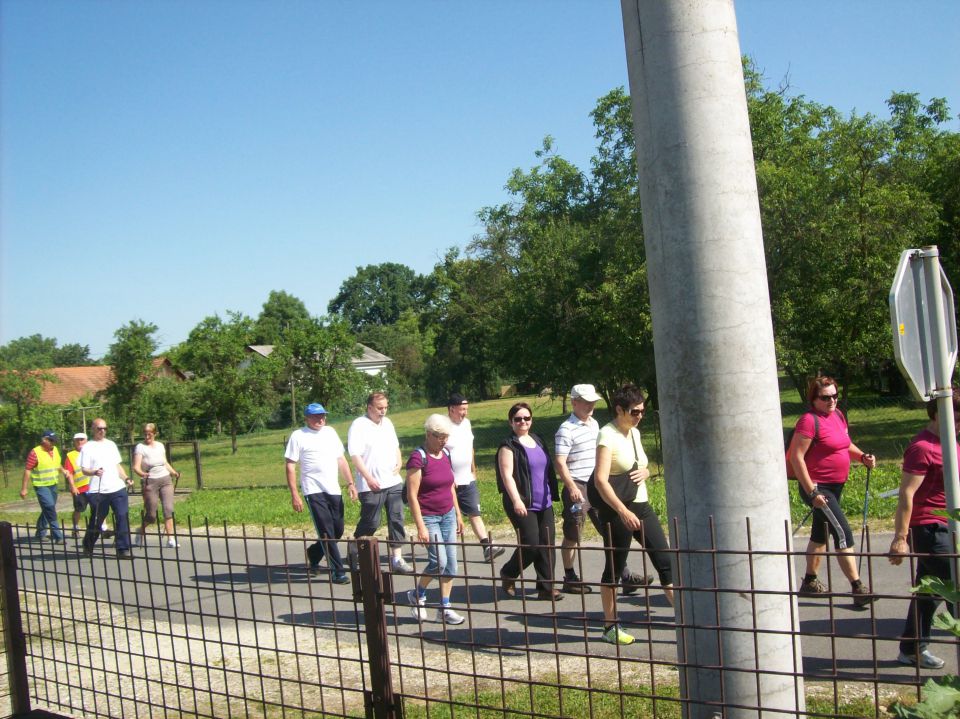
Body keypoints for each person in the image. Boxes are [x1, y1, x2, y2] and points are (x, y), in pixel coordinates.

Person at [589, 385, 673, 645]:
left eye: (642, 411)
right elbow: (601, 481)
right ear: (619, 410)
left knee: (666, 562)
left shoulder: (634, 433)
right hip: (617, 510)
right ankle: (610, 627)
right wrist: (622, 511)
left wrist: (647, 472)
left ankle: (686, 620)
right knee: (613, 570)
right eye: (634, 412)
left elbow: (643, 466)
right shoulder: (607, 435)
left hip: (642, 505)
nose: (639, 416)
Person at [554, 383, 652, 595]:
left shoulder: (595, 424)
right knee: (574, 533)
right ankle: (569, 576)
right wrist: (571, 486)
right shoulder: (566, 429)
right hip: (578, 485)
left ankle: (623, 575)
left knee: (610, 531)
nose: (590, 406)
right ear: (574, 402)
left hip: (597, 485)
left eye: (593, 402)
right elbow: (560, 462)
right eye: (586, 402)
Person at [787, 376, 876, 606]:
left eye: (835, 396)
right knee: (842, 531)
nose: (832, 401)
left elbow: (844, 444)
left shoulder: (837, 416)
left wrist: (862, 457)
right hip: (818, 489)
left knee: (820, 534)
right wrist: (812, 492)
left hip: (836, 487)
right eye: (826, 397)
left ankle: (810, 581)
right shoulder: (808, 421)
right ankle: (858, 588)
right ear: (813, 399)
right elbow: (797, 457)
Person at [888, 392, 960, 670]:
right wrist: (900, 538)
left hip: (948, 525)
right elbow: (907, 493)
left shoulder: (949, 441)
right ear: (937, 414)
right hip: (930, 528)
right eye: (956, 417)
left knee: (929, 593)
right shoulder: (922, 447)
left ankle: (911, 649)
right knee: (955, 586)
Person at [495, 402, 563, 601]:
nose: (523, 422)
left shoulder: (538, 439)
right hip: (522, 502)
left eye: (526, 418)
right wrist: (516, 500)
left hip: (544, 500)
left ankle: (546, 588)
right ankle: (509, 572)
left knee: (547, 544)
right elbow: (507, 475)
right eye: (518, 419)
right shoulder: (508, 446)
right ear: (511, 422)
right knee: (531, 544)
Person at [285, 403, 356, 584]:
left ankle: (314, 552)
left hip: (333, 489)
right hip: (313, 490)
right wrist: (295, 494)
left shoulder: (330, 433)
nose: (320, 419)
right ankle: (337, 572)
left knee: (337, 530)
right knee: (326, 531)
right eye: (316, 417)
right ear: (307, 418)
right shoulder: (298, 436)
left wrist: (350, 483)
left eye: (323, 416)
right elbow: (290, 466)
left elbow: (341, 460)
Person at [405, 414, 466, 624]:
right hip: (429, 516)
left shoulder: (446, 454)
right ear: (429, 434)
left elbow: (450, 486)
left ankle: (445, 607)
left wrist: (458, 514)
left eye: (446, 437)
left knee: (451, 566)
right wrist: (420, 526)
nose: (444, 441)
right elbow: (412, 495)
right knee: (438, 562)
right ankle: (418, 594)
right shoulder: (418, 457)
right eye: (440, 437)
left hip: (448, 513)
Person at [348, 392, 412, 573]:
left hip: (392, 481)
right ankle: (356, 546)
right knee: (371, 521)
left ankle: (397, 559)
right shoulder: (359, 426)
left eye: (385, 407)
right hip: (371, 483)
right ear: (369, 408)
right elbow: (355, 455)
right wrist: (368, 478)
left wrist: (399, 461)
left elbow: (395, 446)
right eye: (379, 408)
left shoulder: (388, 423)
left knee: (396, 518)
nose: (383, 411)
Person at [446, 393, 503, 563]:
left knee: (474, 513)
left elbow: (470, 447)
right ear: (451, 409)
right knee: (450, 518)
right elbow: (440, 453)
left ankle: (487, 547)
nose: (465, 413)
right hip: (449, 481)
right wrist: (447, 476)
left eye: (466, 409)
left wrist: (473, 468)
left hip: (467, 478)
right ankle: (446, 554)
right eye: (462, 409)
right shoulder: (443, 426)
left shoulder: (466, 424)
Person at [79, 418, 134, 559]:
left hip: (117, 488)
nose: (102, 431)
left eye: (105, 428)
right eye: (99, 428)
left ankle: (122, 549)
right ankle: (88, 544)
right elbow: (84, 470)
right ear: (93, 429)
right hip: (99, 490)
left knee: (122, 516)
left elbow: (117, 466)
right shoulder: (88, 447)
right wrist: (94, 472)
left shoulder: (111, 445)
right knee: (97, 520)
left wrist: (126, 478)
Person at [132, 423, 182, 549]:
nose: (147, 435)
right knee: (151, 515)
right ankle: (140, 531)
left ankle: (171, 538)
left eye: (149, 433)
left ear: (155, 433)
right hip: (150, 481)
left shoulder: (160, 445)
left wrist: (173, 472)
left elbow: (164, 462)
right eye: (145, 432)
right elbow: (136, 466)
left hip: (165, 479)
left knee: (168, 508)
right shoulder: (140, 447)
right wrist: (142, 474)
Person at [20, 429, 69, 543]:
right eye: (51, 441)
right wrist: (24, 488)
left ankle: (40, 533)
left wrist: (63, 470)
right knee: (50, 508)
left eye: (54, 441)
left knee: (48, 508)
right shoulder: (35, 452)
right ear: (44, 440)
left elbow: (57, 464)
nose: (53, 443)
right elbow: (27, 470)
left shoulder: (55, 450)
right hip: (41, 485)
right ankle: (58, 536)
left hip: (53, 484)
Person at [62, 432, 108, 538]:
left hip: (93, 486)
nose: (79, 442)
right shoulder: (71, 455)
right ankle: (75, 527)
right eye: (77, 440)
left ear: (86, 440)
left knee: (99, 507)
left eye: (82, 439)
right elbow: (69, 473)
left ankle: (104, 528)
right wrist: (72, 486)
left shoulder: (93, 452)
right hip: (79, 488)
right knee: (79, 509)